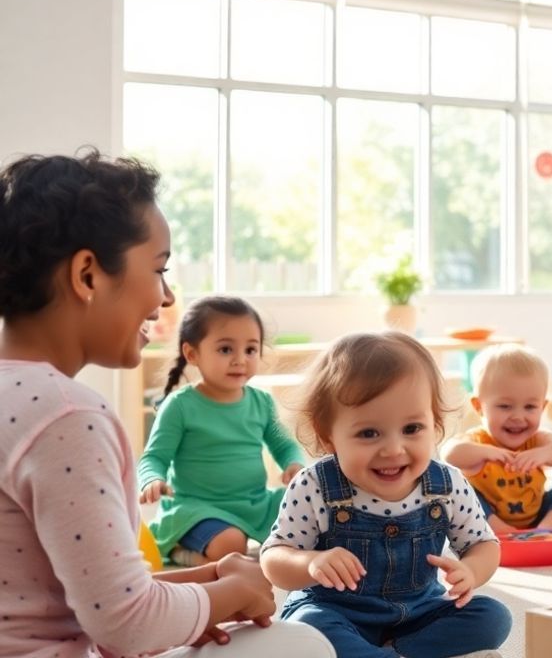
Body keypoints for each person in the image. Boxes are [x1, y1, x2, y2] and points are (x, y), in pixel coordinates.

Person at [0, 149, 331, 657]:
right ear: (88, 275)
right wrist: (234, 592)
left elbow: (83, 599)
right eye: (159, 270)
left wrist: (208, 583)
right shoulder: (68, 416)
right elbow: (127, 627)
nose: (168, 297)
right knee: (305, 645)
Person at [260, 332, 511, 658]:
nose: (393, 449)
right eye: (369, 433)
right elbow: (274, 557)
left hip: (418, 614)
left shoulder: (446, 484)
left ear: (434, 424)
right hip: (336, 612)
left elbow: (482, 544)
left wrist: (472, 571)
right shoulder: (316, 486)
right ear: (328, 437)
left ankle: (398, 651)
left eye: (412, 429)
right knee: (307, 628)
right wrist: (311, 562)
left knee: (492, 617)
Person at [139, 295, 306, 566]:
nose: (240, 360)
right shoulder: (180, 406)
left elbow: (285, 445)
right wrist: (152, 479)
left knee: (308, 512)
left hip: (255, 504)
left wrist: (293, 463)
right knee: (231, 544)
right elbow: (154, 457)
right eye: (226, 349)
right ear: (192, 354)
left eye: (250, 350)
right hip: (197, 509)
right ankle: (184, 552)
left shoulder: (261, 402)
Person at [441, 343, 552, 533]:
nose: (518, 417)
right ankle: (501, 530)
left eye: (530, 407)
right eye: (505, 406)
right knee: (457, 493)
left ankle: (546, 528)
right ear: (479, 406)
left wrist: (542, 454)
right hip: (490, 515)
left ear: (542, 407)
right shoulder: (478, 439)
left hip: (536, 514)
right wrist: (487, 453)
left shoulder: (537, 440)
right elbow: (449, 453)